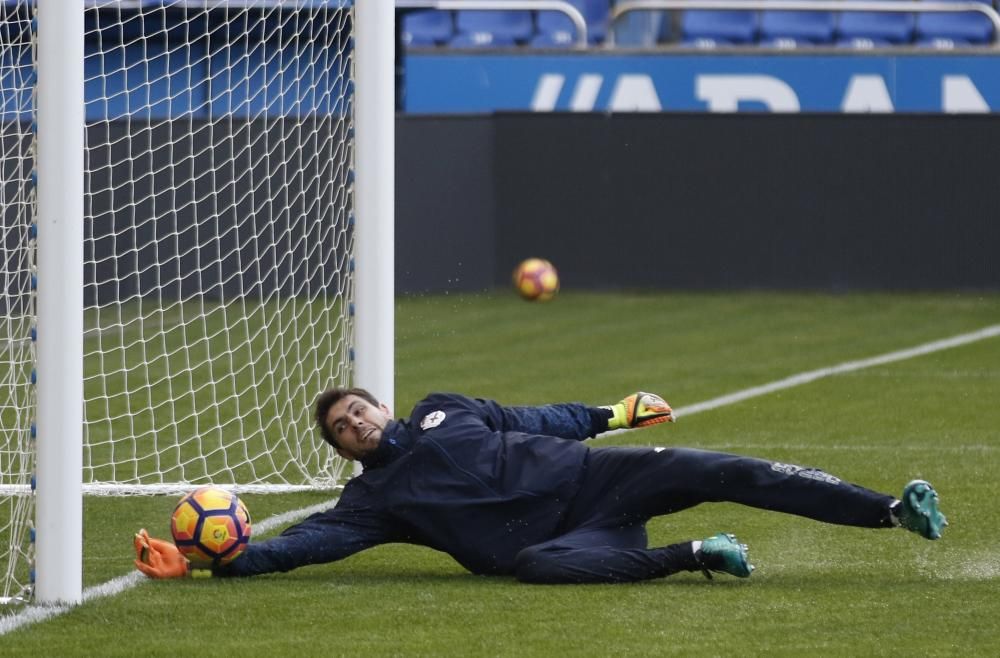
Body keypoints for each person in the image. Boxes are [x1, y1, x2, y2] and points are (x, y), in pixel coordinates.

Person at [134, 389, 947, 584]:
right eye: (341, 429)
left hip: (597, 477)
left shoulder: (447, 410)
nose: (354, 423)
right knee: (535, 571)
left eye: (357, 409)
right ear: (345, 452)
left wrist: (612, 413)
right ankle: (693, 554)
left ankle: (886, 511)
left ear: (382, 403)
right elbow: (306, 545)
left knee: (722, 469)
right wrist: (219, 562)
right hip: (563, 541)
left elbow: (539, 417)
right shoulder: (371, 504)